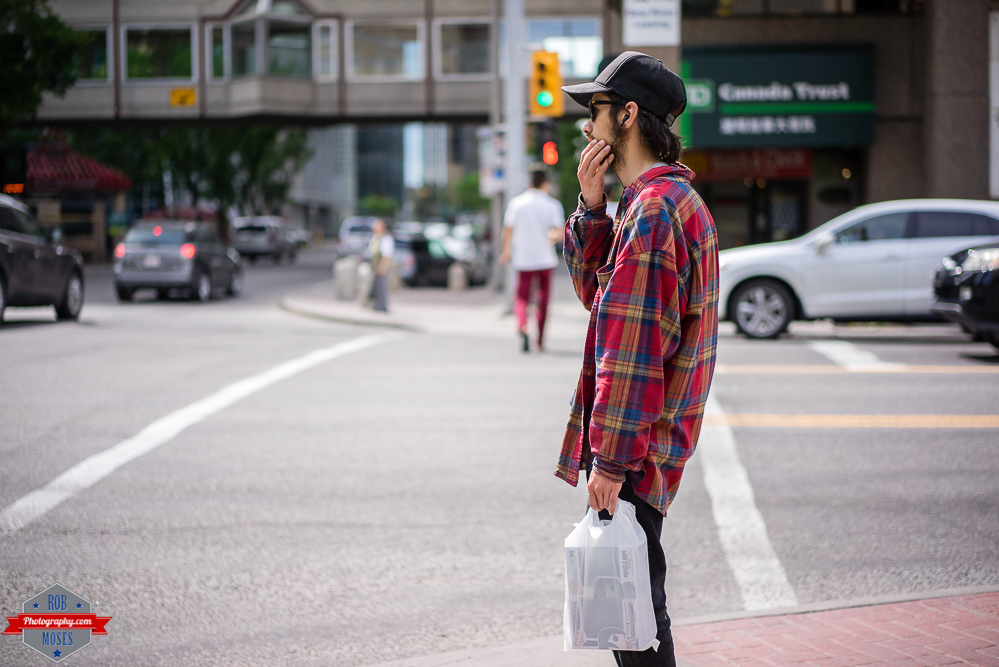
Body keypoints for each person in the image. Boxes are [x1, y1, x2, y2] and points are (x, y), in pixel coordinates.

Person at [555, 52, 720, 667]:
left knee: (636, 626)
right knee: (637, 615)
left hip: (639, 448)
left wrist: (612, 464)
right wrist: (590, 208)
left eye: (595, 110)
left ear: (627, 115)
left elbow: (631, 351)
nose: (586, 127)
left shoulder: (653, 211)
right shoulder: (660, 202)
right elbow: (601, 299)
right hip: (651, 441)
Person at [501, 170, 565, 352]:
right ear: (545, 183)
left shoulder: (516, 203)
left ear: (529, 182)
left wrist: (506, 252)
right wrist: (550, 237)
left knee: (521, 297)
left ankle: (523, 325)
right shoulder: (552, 205)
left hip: (523, 258)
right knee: (543, 300)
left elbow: (508, 230)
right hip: (545, 259)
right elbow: (558, 233)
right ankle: (541, 340)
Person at [367, 218, 394, 312]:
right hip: (375, 266)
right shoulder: (376, 237)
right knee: (376, 286)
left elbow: (386, 255)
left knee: (382, 287)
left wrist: (382, 267)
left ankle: (382, 306)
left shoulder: (385, 238)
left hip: (381, 267)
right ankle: (376, 304)